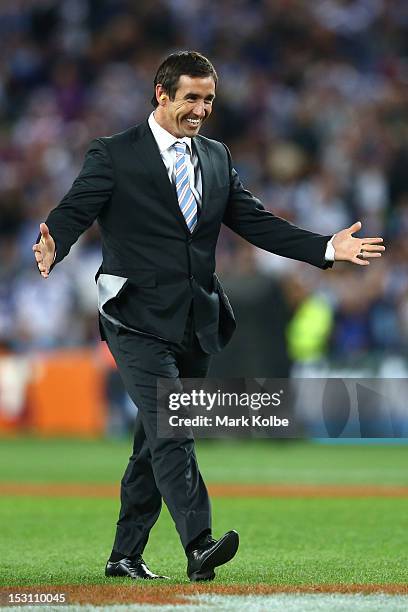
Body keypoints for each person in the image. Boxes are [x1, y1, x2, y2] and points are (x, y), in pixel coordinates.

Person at [32, 51, 385, 582]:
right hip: (132, 317)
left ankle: (124, 555)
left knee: (155, 443)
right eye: (191, 98)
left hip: (195, 320)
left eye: (209, 100)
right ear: (162, 94)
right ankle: (199, 544)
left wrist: (326, 249)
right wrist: (53, 241)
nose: (200, 109)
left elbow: (257, 223)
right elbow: (76, 207)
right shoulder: (114, 153)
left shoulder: (216, 156)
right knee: (174, 428)